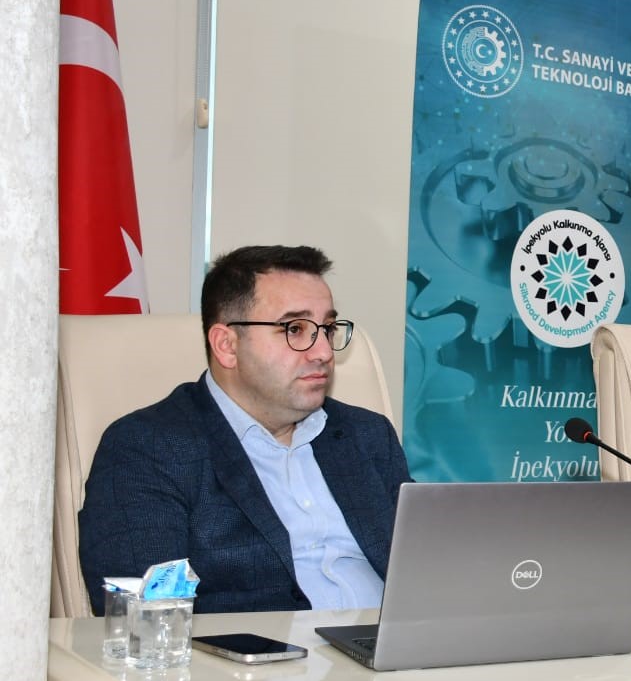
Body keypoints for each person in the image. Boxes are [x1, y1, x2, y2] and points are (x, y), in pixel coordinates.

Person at [80, 245, 412, 614]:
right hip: (258, 650)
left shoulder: (367, 435)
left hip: (397, 644)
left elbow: (426, 570)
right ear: (227, 346)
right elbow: (147, 616)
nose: (323, 352)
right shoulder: (149, 447)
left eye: (328, 329)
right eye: (295, 329)